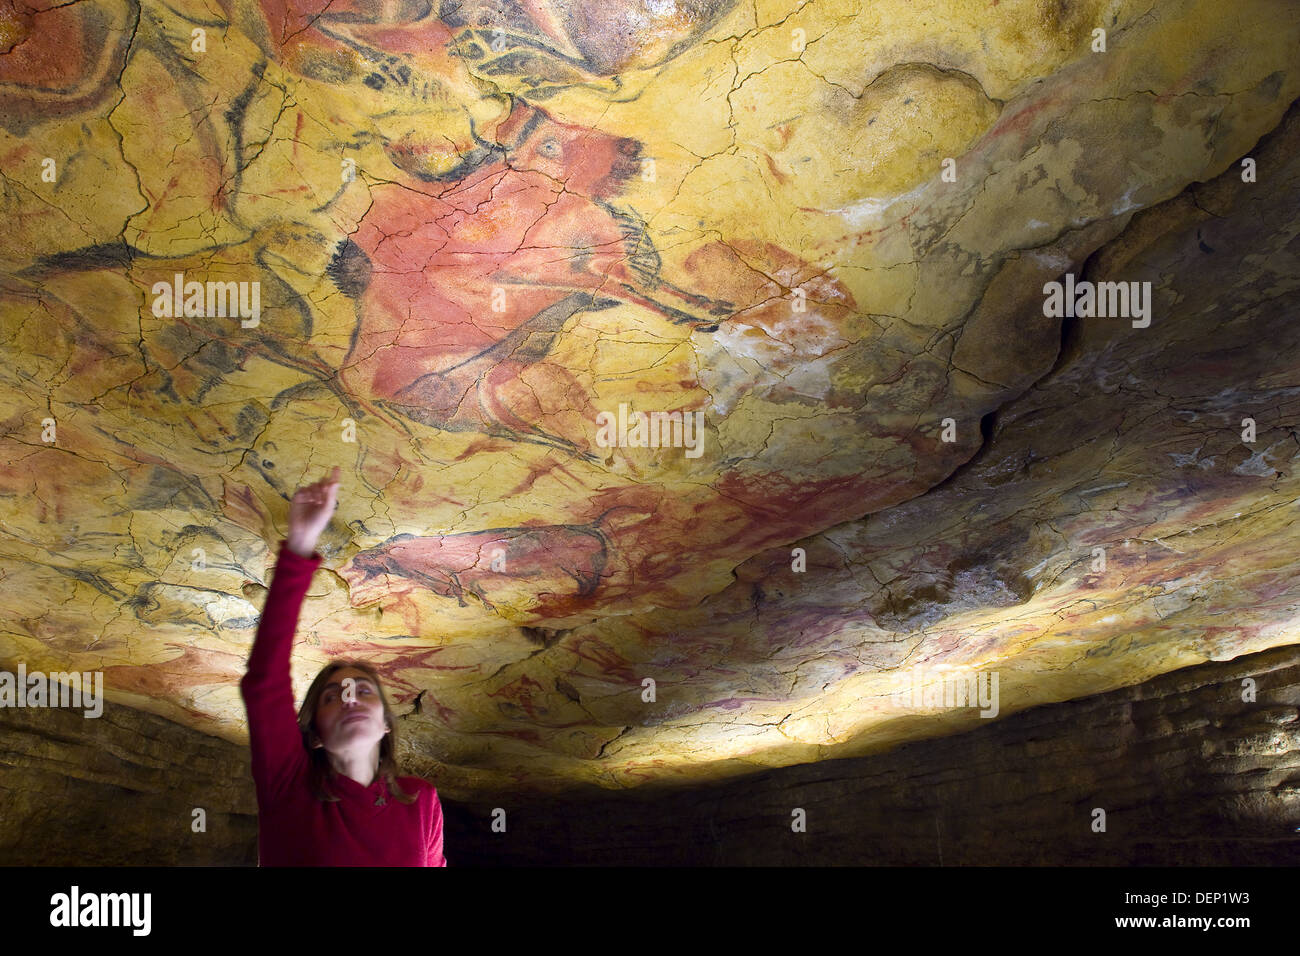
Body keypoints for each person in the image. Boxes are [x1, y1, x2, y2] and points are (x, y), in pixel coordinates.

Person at [240, 465, 448, 866]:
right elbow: (264, 683)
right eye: (332, 697)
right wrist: (300, 544)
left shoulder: (421, 799)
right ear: (314, 735)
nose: (350, 698)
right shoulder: (288, 789)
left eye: (364, 690)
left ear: (387, 722)